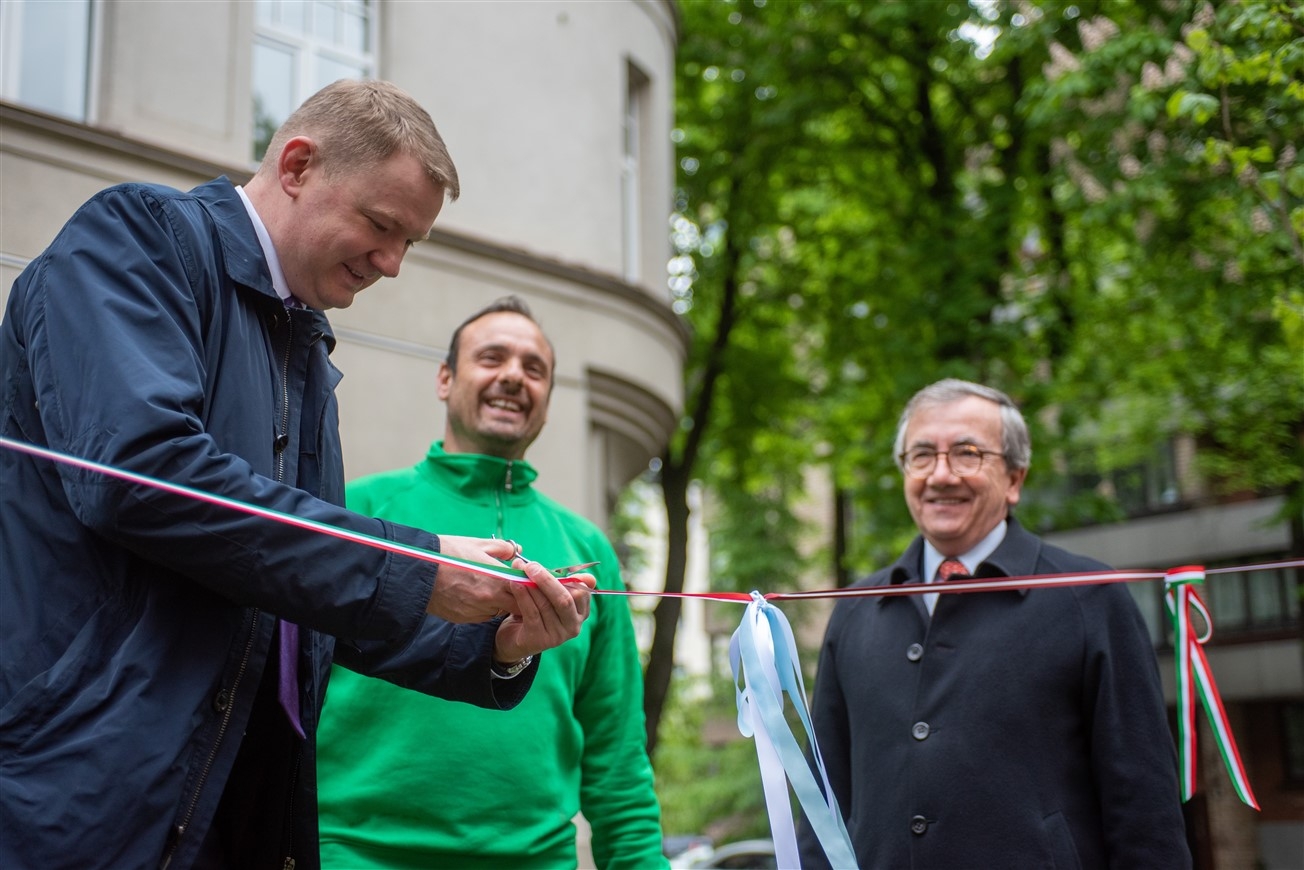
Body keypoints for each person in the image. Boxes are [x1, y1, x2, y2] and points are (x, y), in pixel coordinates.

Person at [0, 80, 593, 870]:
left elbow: (299, 597)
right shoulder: (139, 239)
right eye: (381, 227)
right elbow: (141, 476)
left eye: (409, 243)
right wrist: (413, 566)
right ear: (297, 165)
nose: (390, 265)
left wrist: (500, 645)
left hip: (236, 805)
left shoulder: (305, 351)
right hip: (87, 798)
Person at [314, 296, 668, 869]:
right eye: (492, 358)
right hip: (354, 855)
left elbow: (617, 755)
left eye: (534, 369)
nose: (513, 377)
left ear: (547, 403)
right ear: (446, 378)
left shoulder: (587, 551)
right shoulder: (358, 510)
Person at [797, 379, 1190, 870]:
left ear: (1015, 478)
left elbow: (1144, 807)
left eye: (967, 454)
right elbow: (822, 802)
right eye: (921, 455)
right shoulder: (856, 610)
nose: (941, 475)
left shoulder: (1089, 598)